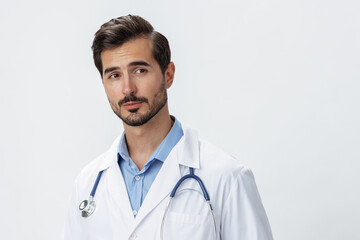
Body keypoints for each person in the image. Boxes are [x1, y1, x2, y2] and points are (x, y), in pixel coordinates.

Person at [63, 15, 273, 240]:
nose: (127, 88)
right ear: (104, 84)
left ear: (168, 74)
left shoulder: (227, 177)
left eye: (140, 70)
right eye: (114, 75)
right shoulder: (87, 184)